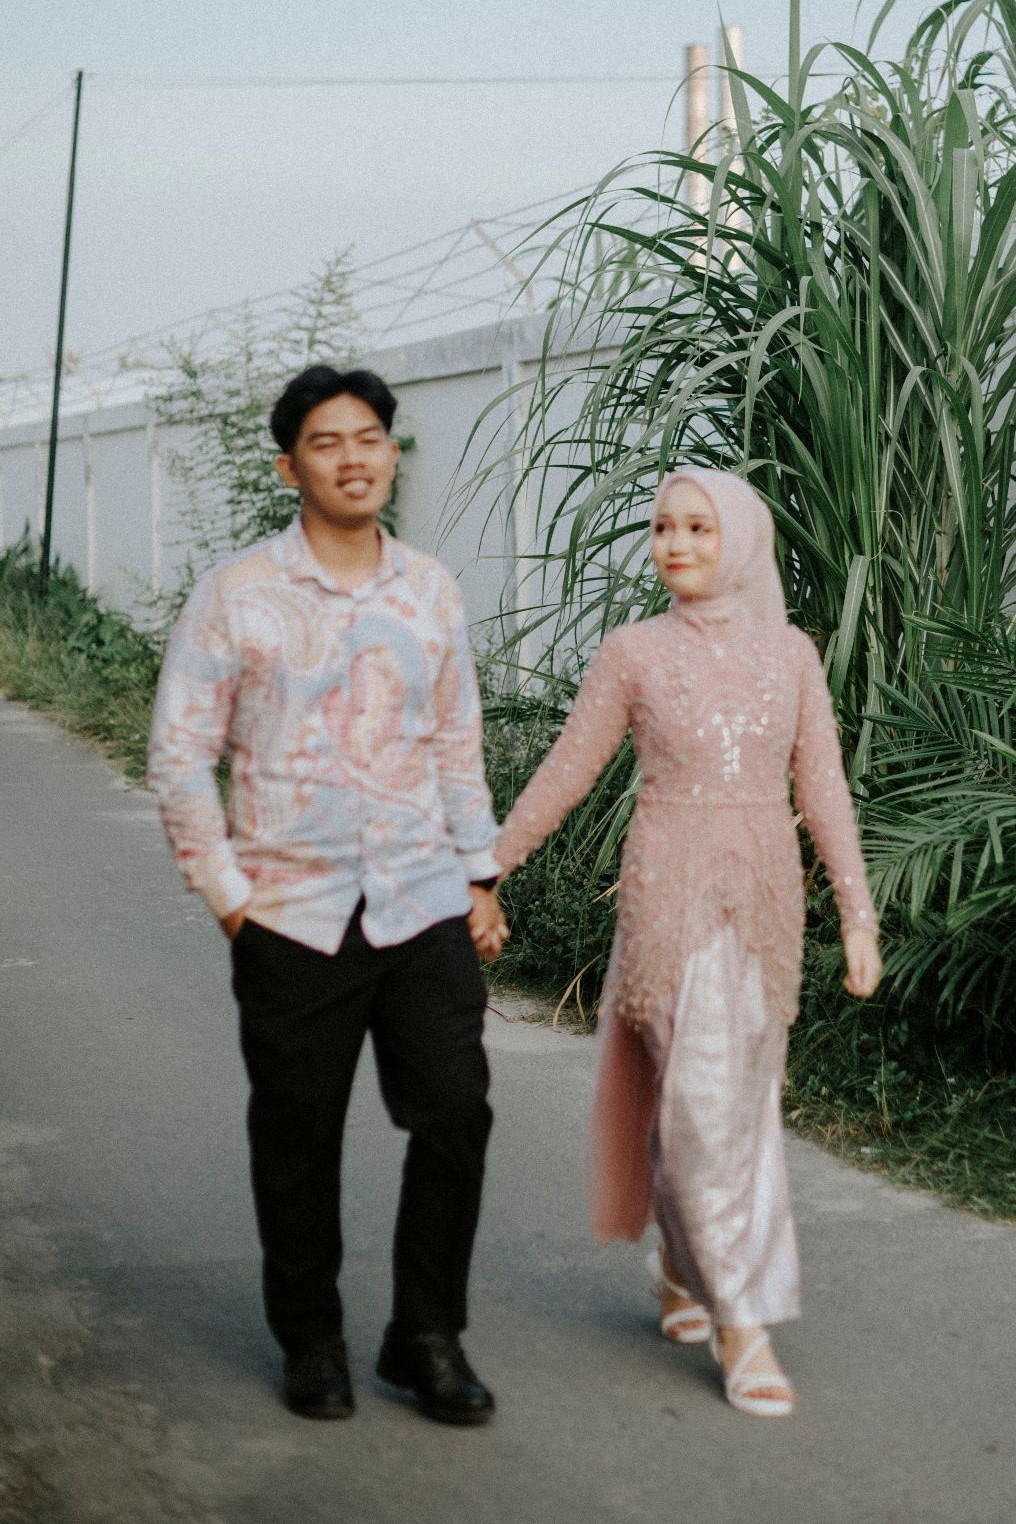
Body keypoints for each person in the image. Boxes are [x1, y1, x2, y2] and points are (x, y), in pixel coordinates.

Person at [148, 365, 509, 1425]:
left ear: (392, 454)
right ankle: (310, 1340)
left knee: (456, 1111)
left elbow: (456, 742)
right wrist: (228, 895)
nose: (352, 458)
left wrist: (479, 874)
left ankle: (425, 1336)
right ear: (288, 467)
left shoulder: (430, 590)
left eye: (368, 438)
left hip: (422, 900)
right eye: (325, 442)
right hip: (290, 913)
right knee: (298, 1136)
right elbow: (180, 756)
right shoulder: (237, 594)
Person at [493, 467, 882, 1417]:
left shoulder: (790, 655)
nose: (676, 544)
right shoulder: (633, 653)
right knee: (703, 1105)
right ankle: (742, 1318)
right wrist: (487, 867)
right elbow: (569, 770)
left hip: (768, 907)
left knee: (737, 1104)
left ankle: (680, 1260)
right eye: (664, 527)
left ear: (738, 540)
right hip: (668, 904)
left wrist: (856, 914)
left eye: (699, 529)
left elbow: (822, 787)